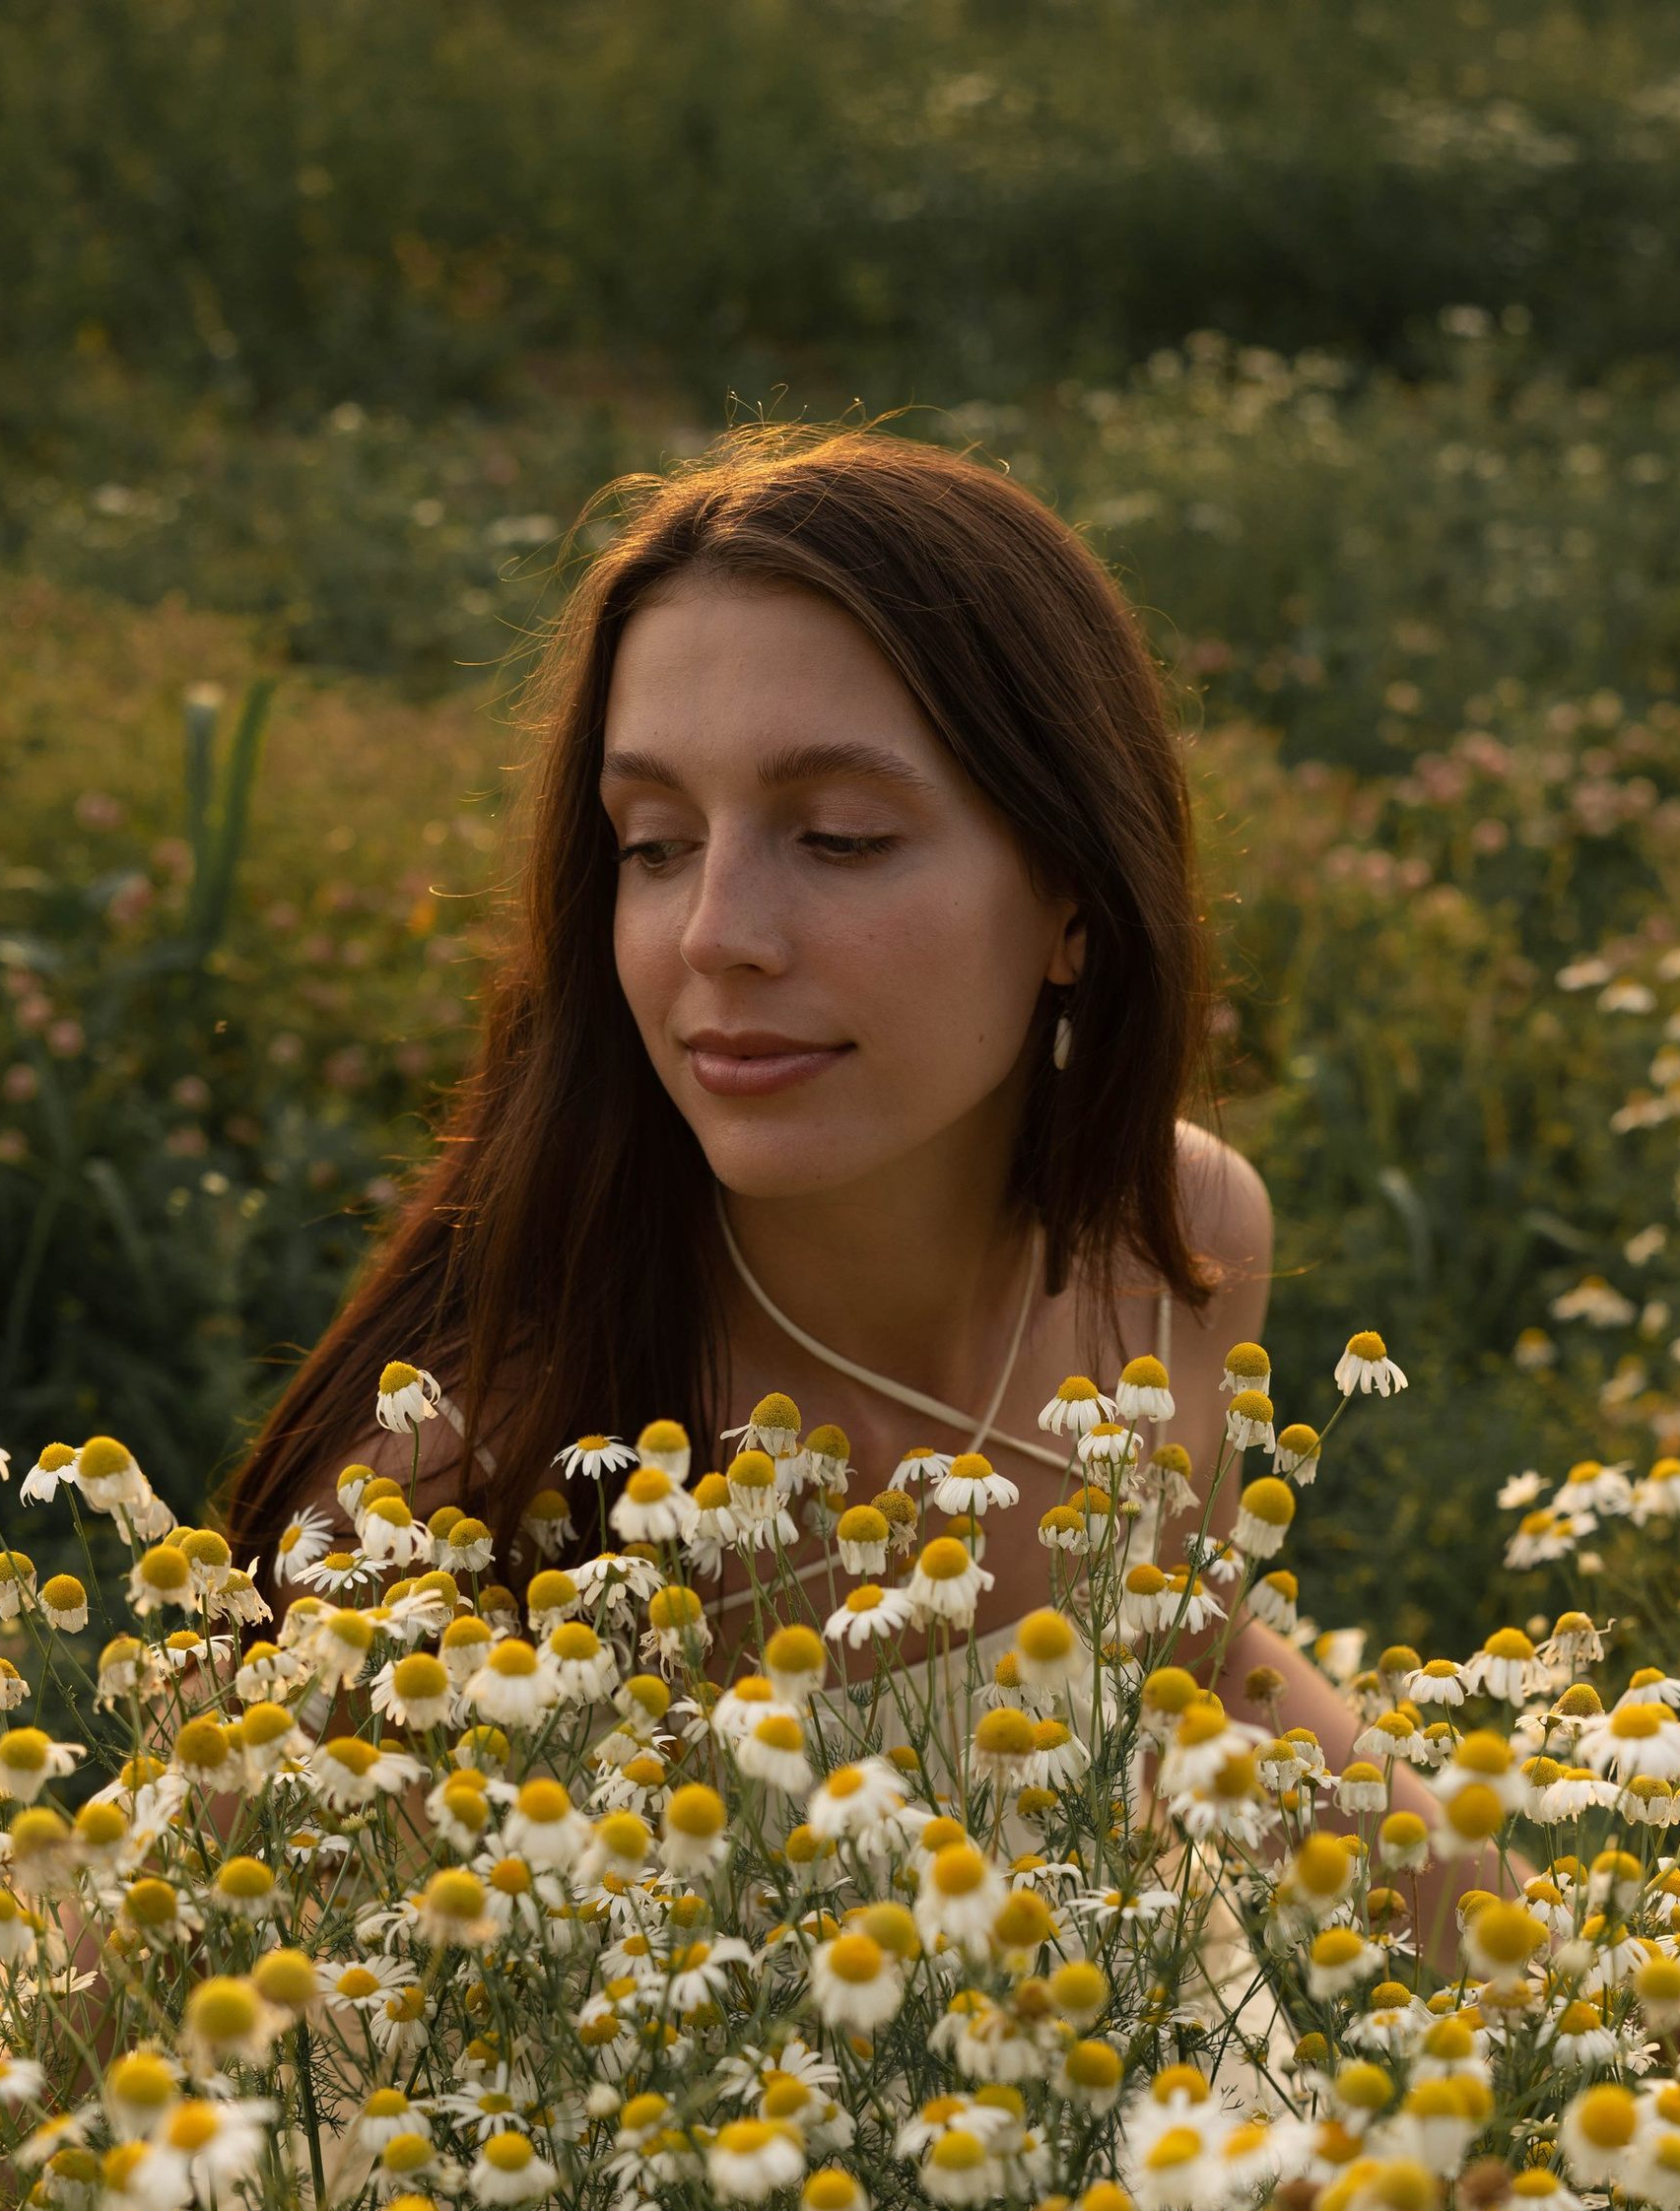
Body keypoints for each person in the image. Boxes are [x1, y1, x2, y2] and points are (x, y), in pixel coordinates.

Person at [226, 422, 1411, 1812]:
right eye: (654, 846)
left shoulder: (1179, 1253)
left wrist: (1627, 1971)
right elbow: (139, 1959)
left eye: (841, 836)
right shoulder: (470, 1473)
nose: (716, 935)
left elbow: (1196, 1670)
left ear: (1075, 902)